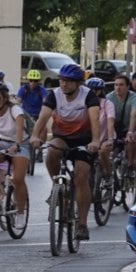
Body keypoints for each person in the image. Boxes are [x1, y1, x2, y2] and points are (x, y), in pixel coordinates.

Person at [33, 63, 104, 240]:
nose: (64, 84)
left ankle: (82, 224)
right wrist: (35, 136)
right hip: (62, 137)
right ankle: (57, 185)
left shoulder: (89, 96)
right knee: (51, 153)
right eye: (62, 80)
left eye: (69, 81)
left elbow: (95, 120)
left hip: (84, 141)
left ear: (78, 83)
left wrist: (95, 141)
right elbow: (43, 117)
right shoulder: (54, 95)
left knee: (81, 177)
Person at [0, 80, 32, 219]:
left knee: (18, 179)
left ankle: (21, 212)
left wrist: (17, 145)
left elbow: (20, 129)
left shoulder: (15, 110)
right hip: (3, 142)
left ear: (5, 97)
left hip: (21, 143)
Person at [103, 75, 136, 174]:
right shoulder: (109, 97)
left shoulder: (135, 97)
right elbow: (107, 118)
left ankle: (130, 166)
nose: (118, 87)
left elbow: (134, 115)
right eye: (116, 85)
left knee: (131, 140)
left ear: (127, 86)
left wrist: (130, 132)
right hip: (116, 128)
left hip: (134, 126)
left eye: (121, 85)